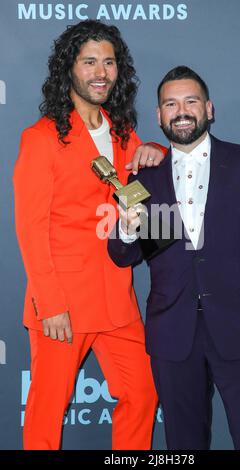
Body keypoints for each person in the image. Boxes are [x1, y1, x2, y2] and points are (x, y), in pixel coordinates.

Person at [108, 66, 240, 450]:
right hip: (173, 336)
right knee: (183, 444)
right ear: (160, 116)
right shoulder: (144, 180)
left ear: (209, 109)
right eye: (171, 104)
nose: (182, 110)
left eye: (191, 101)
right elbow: (125, 254)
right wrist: (129, 228)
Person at [13, 20, 165, 450]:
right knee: (47, 409)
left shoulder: (122, 132)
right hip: (63, 303)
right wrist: (51, 304)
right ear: (70, 70)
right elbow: (29, 227)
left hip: (117, 298)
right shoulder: (40, 139)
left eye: (109, 62)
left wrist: (155, 148)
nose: (101, 72)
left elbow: (139, 186)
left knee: (143, 392)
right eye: (90, 61)